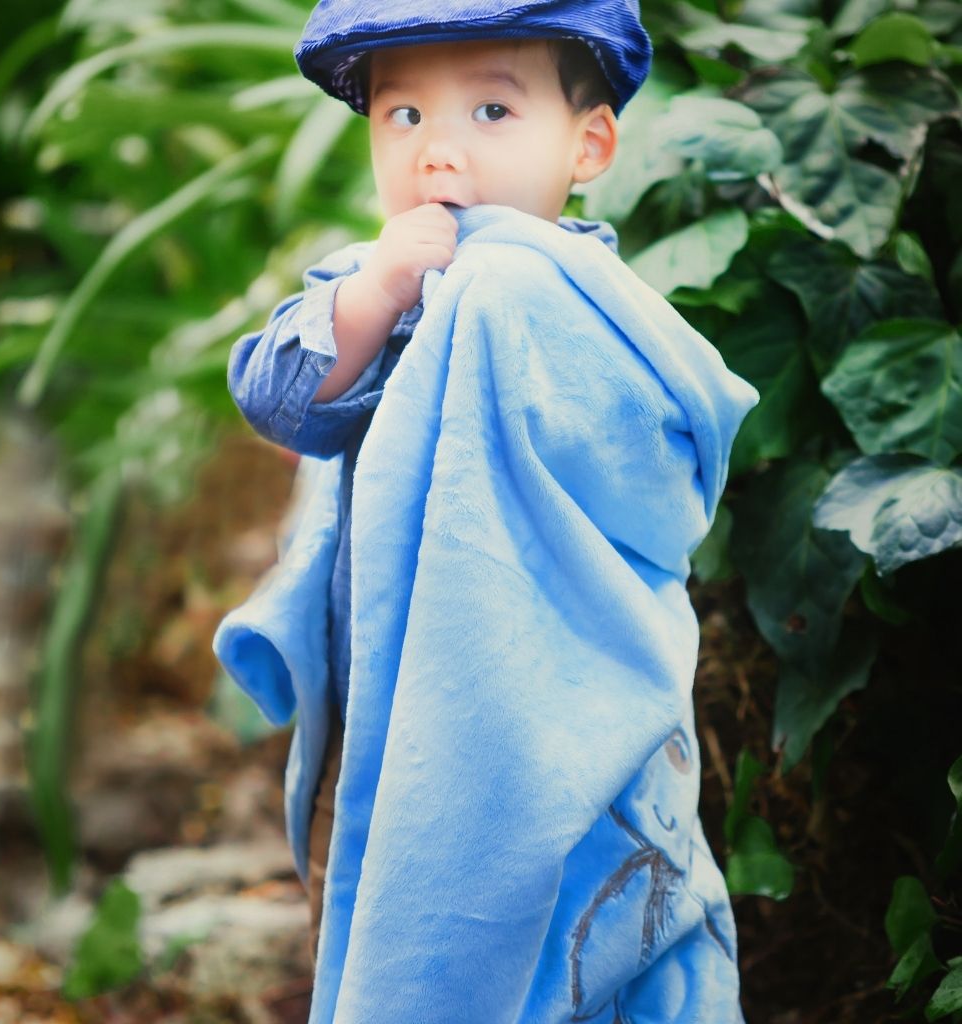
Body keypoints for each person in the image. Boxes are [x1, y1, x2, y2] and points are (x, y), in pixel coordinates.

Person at [215, 2, 757, 1021]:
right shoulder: (381, 284)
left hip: (526, 704)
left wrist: (485, 305)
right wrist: (376, 292)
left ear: (587, 143)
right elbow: (278, 397)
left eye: (493, 110)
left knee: (560, 937)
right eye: (404, 116)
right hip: (379, 697)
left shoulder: (583, 307)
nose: (440, 153)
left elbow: (651, 462)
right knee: (377, 910)